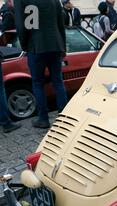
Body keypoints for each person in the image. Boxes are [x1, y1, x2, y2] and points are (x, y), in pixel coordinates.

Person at [15, 0, 68, 128]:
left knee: (38, 83)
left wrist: (24, 45)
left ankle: (43, 118)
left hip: (36, 46)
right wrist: (63, 46)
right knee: (58, 82)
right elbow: (61, 23)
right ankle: (64, 117)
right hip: (55, 44)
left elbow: (22, 26)